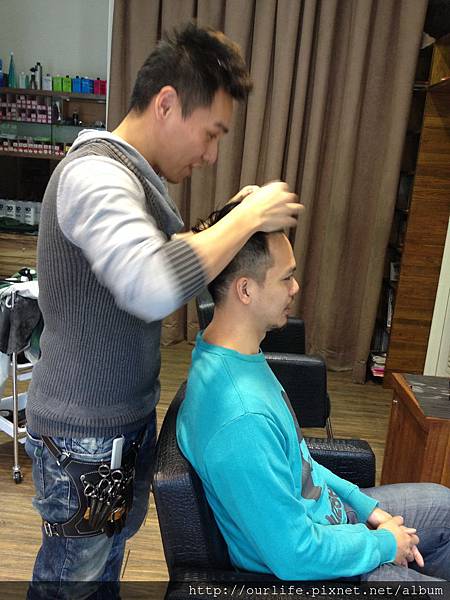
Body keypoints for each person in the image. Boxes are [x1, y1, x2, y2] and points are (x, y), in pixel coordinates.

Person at [24, 23, 301, 596]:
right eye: (211, 134)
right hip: (83, 439)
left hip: (116, 427)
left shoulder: (134, 181)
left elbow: (180, 254)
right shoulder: (94, 176)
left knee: (101, 572)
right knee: (71, 583)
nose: (211, 154)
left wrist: (235, 215)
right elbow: (150, 284)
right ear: (167, 103)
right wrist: (246, 218)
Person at [177, 201, 450, 583]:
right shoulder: (241, 417)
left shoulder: (235, 355)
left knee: (444, 506)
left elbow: (299, 462)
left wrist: (366, 507)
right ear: (246, 290)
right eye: (286, 278)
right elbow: (294, 553)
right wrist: (385, 544)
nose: (295, 287)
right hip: (315, 568)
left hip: (330, 521)